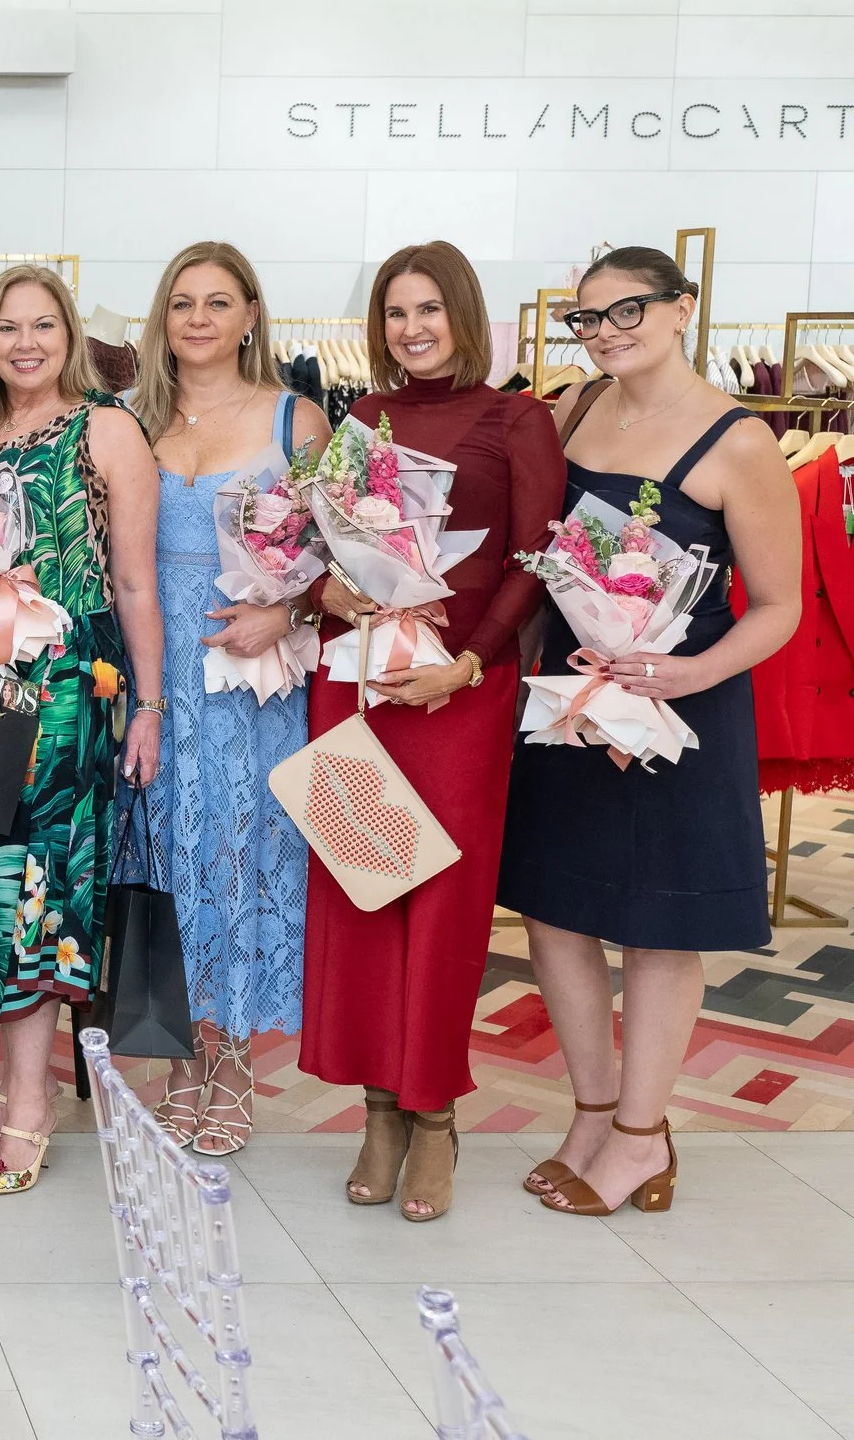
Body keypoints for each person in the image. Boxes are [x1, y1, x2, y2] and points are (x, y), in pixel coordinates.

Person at [498, 247, 797, 1216]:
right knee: (553, 908)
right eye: (587, 317)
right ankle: (592, 1112)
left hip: (679, 712)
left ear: (682, 307)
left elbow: (780, 606)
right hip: (570, 698)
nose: (606, 331)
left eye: (627, 310)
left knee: (660, 925)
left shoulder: (738, 440)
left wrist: (689, 673)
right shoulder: (574, 408)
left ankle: (640, 1134)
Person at [304, 240, 565, 1223]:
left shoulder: (516, 418)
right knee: (363, 893)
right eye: (395, 312)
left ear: (463, 312)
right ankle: (379, 1111)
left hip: (458, 693)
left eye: (428, 309)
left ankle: (435, 1114)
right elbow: (322, 546)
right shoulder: (361, 417)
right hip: (359, 683)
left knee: (443, 905)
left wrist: (471, 661)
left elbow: (533, 559)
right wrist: (323, 590)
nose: (412, 328)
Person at [0, 265, 164, 1197]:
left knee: (36, 888)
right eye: (9, 326)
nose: (26, 343)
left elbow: (133, 581)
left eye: (44, 325)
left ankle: (28, 1099)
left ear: (70, 336)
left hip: (64, 691)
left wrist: (149, 705)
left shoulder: (107, 429)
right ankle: (29, 1083)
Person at [130, 244, 329, 1156]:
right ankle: (180, 1054)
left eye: (218, 302)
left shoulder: (297, 419)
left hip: (249, 680)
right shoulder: (132, 420)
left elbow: (346, 559)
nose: (199, 319)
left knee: (242, 855)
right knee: (164, 859)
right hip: (153, 678)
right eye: (182, 303)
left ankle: (234, 1057)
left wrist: (284, 610)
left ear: (250, 314)